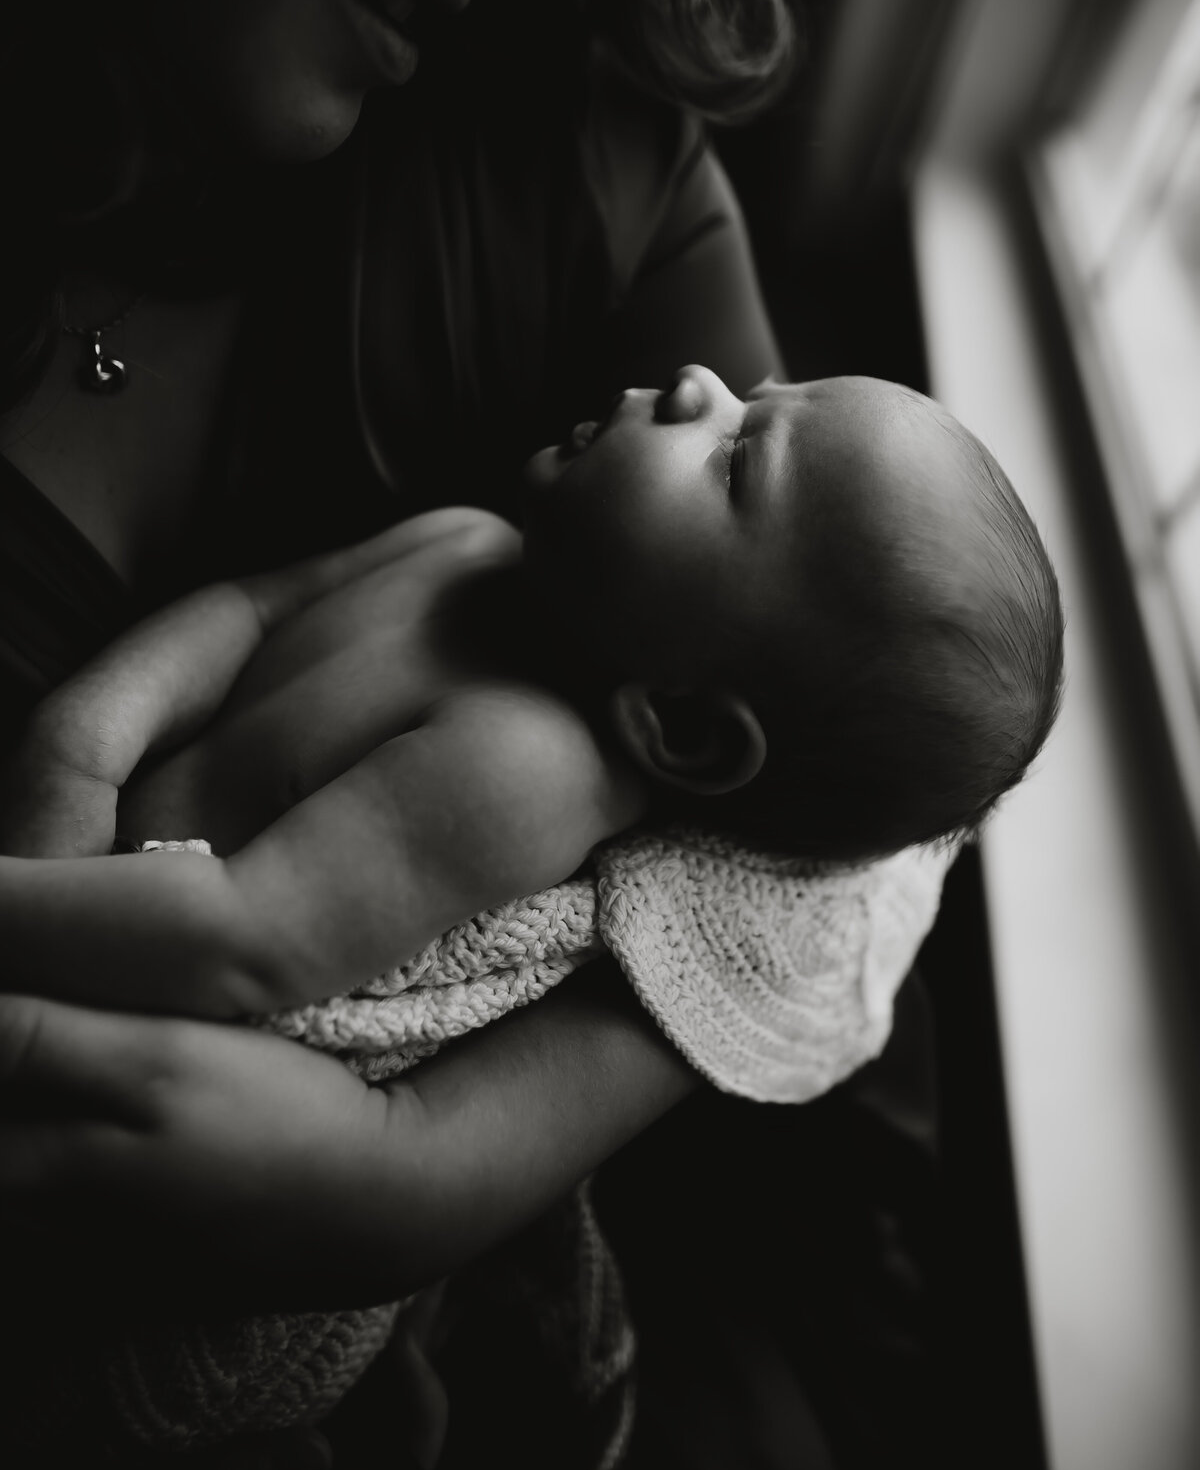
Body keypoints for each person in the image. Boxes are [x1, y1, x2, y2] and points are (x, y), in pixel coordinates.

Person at [0, 0, 944, 1470]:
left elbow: (890, 779)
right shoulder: (540, 505)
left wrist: (422, 1175)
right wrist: (79, 742)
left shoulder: (577, 157)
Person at [2, 366, 1062, 1026]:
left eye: (737, 461)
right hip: (71, 854)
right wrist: (86, 741)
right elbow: (247, 609)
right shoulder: (469, 544)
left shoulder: (524, 766)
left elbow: (242, 940)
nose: (699, 383)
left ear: (684, 726)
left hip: (103, 964)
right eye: (757, 393)